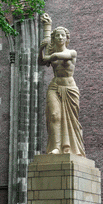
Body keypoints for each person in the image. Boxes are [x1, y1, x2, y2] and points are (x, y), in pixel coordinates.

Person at [38, 26, 86, 156]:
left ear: (66, 38)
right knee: (54, 115)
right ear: (54, 38)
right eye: (57, 35)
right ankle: (56, 147)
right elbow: (41, 62)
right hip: (54, 86)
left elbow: (56, 57)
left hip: (70, 88)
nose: (60, 37)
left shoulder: (71, 52)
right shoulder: (51, 53)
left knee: (71, 120)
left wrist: (49, 55)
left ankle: (69, 147)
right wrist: (41, 49)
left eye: (62, 35)